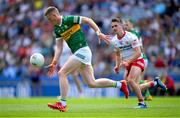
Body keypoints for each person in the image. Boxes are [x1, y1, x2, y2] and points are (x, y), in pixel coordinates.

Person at [44, 6, 129, 112]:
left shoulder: (68, 19)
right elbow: (59, 47)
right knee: (91, 83)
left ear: (54, 15)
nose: (50, 21)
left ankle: (62, 103)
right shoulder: (57, 29)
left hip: (82, 51)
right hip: (80, 53)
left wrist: (99, 33)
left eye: (50, 19)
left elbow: (88, 20)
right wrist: (54, 61)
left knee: (62, 73)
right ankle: (120, 84)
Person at [110, 18, 167, 108]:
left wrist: (128, 62)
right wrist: (117, 65)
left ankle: (142, 103)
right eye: (112, 26)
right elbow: (117, 54)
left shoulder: (131, 36)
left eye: (116, 25)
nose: (114, 28)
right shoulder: (114, 40)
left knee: (131, 80)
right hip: (128, 63)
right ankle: (155, 83)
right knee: (133, 88)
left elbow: (138, 52)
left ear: (121, 25)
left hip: (138, 60)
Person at [123, 19, 152, 101]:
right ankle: (147, 93)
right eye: (124, 24)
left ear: (132, 24)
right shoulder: (134, 33)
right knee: (134, 83)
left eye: (127, 24)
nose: (125, 26)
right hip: (139, 58)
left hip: (139, 59)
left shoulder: (132, 33)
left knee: (132, 84)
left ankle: (152, 84)